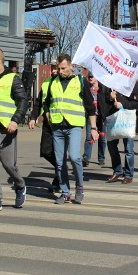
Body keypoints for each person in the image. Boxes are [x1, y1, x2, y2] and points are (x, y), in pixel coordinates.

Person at [43, 54, 98, 204]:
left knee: (74, 157)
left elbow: (90, 106)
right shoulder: (52, 82)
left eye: (63, 68)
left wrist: (93, 128)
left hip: (74, 125)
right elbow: (46, 102)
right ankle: (65, 192)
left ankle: (79, 188)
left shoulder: (80, 81)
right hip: (57, 127)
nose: (60, 71)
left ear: (71, 66)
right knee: (60, 161)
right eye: (58, 68)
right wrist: (49, 118)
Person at [0, 47, 29, 211]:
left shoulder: (13, 79)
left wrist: (15, 121)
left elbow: (23, 101)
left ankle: (20, 185)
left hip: (6, 128)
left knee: (8, 164)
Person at [101, 81, 138, 184]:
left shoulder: (136, 85)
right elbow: (104, 100)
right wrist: (110, 97)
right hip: (113, 119)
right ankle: (117, 170)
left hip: (128, 120)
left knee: (128, 148)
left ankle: (128, 174)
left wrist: (123, 104)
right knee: (111, 146)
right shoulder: (111, 83)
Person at [28, 65, 59, 192]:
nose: (54, 71)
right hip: (48, 122)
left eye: (57, 69)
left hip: (63, 123)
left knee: (59, 152)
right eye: (53, 69)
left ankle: (59, 181)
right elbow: (39, 101)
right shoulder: (47, 83)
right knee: (45, 151)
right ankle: (60, 169)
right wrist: (33, 117)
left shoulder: (69, 83)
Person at [82, 72, 106, 166]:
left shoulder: (102, 88)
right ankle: (86, 158)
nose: (90, 78)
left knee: (102, 138)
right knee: (89, 137)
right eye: (89, 76)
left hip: (101, 117)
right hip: (91, 116)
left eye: (92, 76)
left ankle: (101, 158)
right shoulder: (87, 88)